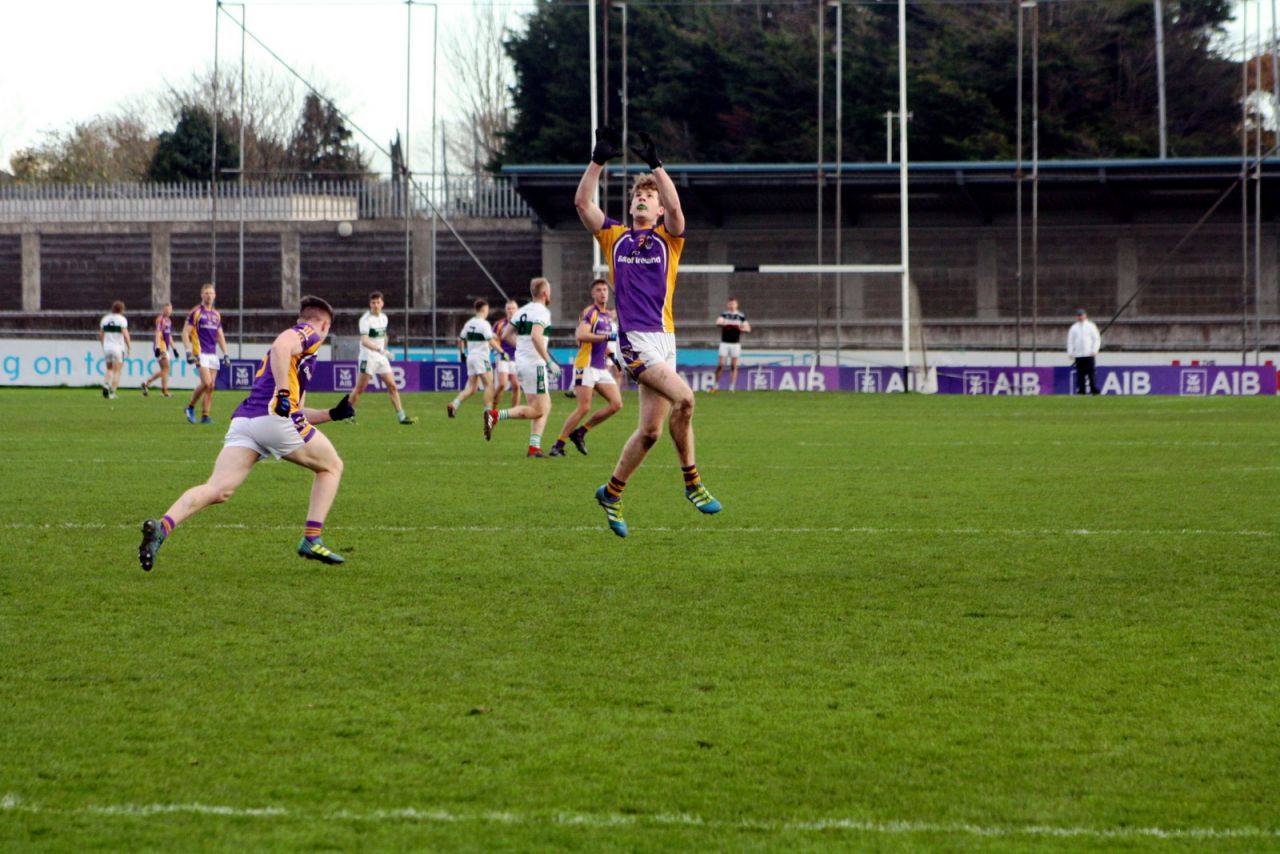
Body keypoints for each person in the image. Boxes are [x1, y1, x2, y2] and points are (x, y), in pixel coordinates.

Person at [574, 127, 721, 537]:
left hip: (664, 339)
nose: (641, 198)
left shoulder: (669, 240)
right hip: (634, 341)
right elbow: (582, 202)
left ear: (657, 210)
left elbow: (677, 211)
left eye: (649, 196)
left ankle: (612, 492)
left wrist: (657, 166)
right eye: (638, 195)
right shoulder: (615, 236)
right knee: (687, 400)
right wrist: (597, 160)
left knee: (652, 431)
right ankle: (692, 481)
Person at [138, 295, 355, 571]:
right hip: (273, 419)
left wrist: (331, 414)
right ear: (324, 325)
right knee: (332, 466)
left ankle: (162, 527)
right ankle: (312, 538)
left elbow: (297, 410)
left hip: (246, 421)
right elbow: (280, 347)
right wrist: (283, 392)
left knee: (218, 489)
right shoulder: (309, 332)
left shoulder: (297, 363)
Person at [483, 277, 561, 457]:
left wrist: (522, 348)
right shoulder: (543, 312)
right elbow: (536, 336)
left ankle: (534, 447)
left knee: (543, 405)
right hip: (535, 364)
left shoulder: (522, 311)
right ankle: (495, 415)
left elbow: (505, 334)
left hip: (521, 362)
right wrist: (549, 361)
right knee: (539, 409)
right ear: (545, 293)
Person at [549, 278, 623, 457]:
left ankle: (580, 432)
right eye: (598, 290)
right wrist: (606, 339)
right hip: (586, 365)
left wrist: (612, 356)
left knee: (616, 404)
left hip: (599, 367)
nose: (603, 293)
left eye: (605, 290)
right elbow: (581, 334)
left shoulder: (606, 316)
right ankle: (557, 446)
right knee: (583, 408)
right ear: (593, 294)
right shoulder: (591, 312)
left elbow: (599, 342)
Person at [348, 291, 417, 425]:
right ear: (370, 304)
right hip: (368, 356)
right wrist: (381, 350)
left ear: (382, 304)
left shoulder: (384, 318)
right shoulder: (365, 320)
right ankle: (347, 414)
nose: (375, 305)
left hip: (380, 357)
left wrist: (384, 347)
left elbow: (384, 335)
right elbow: (364, 341)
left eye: (378, 302)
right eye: (373, 303)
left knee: (392, 385)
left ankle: (401, 417)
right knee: (360, 388)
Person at [183, 283, 230, 424]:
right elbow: (185, 332)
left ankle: (205, 415)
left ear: (215, 296)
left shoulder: (216, 315)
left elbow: (220, 335)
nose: (209, 295)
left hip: (212, 354)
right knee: (206, 383)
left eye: (211, 293)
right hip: (199, 353)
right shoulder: (196, 312)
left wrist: (226, 353)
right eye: (206, 293)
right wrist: (188, 351)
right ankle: (190, 407)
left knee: (211, 386)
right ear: (202, 295)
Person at [448, 298, 501, 417]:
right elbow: (490, 340)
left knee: (472, 388)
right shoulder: (484, 324)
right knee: (489, 385)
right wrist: (502, 352)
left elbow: (460, 339)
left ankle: (454, 404)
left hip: (470, 357)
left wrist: (462, 354)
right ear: (484, 309)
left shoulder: (469, 323)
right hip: (482, 358)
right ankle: (488, 412)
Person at [712, 298, 751, 392]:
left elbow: (748, 328)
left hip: (735, 344)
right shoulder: (724, 315)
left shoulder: (740, 316)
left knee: (733, 366)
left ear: (736, 305)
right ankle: (716, 385)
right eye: (730, 304)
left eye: (733, 304)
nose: (732, 306)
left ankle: (732, 387)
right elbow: (718, 322)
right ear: (728, 305)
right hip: (724, 343)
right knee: (721, 364)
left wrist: (740, 329)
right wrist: (727, 324)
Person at [490, 298, 523, 408]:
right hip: (502, 356)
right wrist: (498, 352)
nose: (511, 310)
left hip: (516, 358)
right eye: (508, 308)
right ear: (505, 310)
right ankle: (493, 407)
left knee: (516, 386)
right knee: (502, 384)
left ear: (517, 310)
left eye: (513, 308)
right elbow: (492, 340)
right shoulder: (499, 324)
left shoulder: (521, 325)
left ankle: (515, 410)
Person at [98, 300, 131, 399]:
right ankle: (112, 392)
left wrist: (103, 345)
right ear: (122, 309)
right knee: (117, 371)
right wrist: (129, 346)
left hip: (107, 347)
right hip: (118, 348)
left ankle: (106, 384)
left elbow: (101, 334)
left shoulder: (105, 319)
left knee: (109, 369)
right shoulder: (122, 320)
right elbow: (125, 334)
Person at [141, 302, 174, 397]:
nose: (168, 311)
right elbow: (158, 333)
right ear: (163, 310)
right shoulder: (161, 319)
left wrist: (174, 348)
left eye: (170, 310)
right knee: (166, 368)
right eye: (166, 309)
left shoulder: (169, 321)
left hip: (165, 347)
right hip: (161, 346)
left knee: (165, 369)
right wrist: (158, 347)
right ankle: (150, 384)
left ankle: (158, 388)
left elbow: (169, 335)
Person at [1067, 307, 1102, 395]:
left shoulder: (1091, 326)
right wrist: (1071, 353)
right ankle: (1081, 390)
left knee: (1091, 374)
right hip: (1079, 355)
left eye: (1081, 315)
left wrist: (1095, 350)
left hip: (1089, 354)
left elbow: (1096, 339)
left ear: (1085, 315)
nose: (1080, 317)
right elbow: (1070, 341)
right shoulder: (1074, 328)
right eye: (1078, 315)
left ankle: (1093, 389)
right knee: (1080, 374)